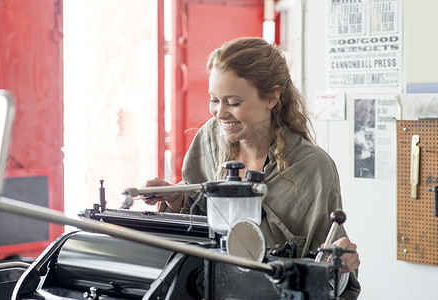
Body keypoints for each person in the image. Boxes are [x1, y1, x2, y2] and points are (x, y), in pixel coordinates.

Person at [143, 37, 360, 299]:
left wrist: (342, 263)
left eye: (233, 102)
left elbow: (329, 276)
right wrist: (175, 197)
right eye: (214, 100)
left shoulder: (313, 168)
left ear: (271, 97)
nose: (219, 113)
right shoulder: (209, 139)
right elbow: (192, 219)